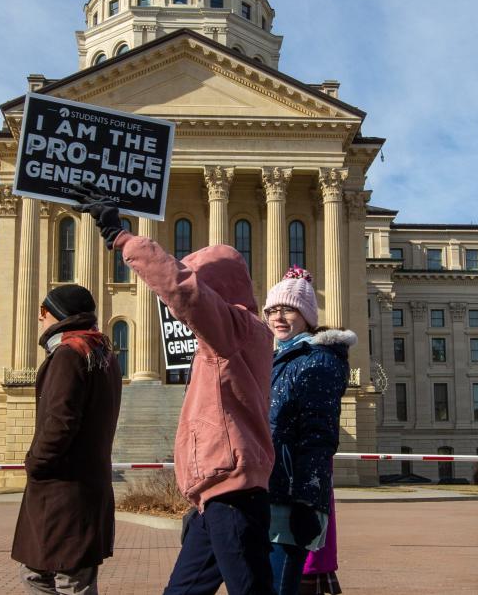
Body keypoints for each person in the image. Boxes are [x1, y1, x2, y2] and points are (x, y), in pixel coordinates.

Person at [75, 186, 276, 595]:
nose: (174, 316)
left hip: (233, 493)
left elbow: (184, 292)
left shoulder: (234, 329)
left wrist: (123, 239)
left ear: (218, 288)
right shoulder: (236, 337)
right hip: (216, 496)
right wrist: (197, 499)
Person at [11, 284, 123, 593]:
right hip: (82, 488)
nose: (39, 318)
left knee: (69, 579)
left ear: (55, 314)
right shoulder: (102, 354)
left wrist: (35, 463)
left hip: (63, 489)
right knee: (39, 573)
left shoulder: (69, 354)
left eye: (42, 311)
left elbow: (60, 422)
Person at [262, 267, 354, 595]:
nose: (278, 317)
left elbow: (319, 436)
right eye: (272, 310)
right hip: (268, 490)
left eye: (288, 309)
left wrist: (306, 500)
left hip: (290, 499)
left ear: (307, 316)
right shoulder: (279, 358)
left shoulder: (318, 361)